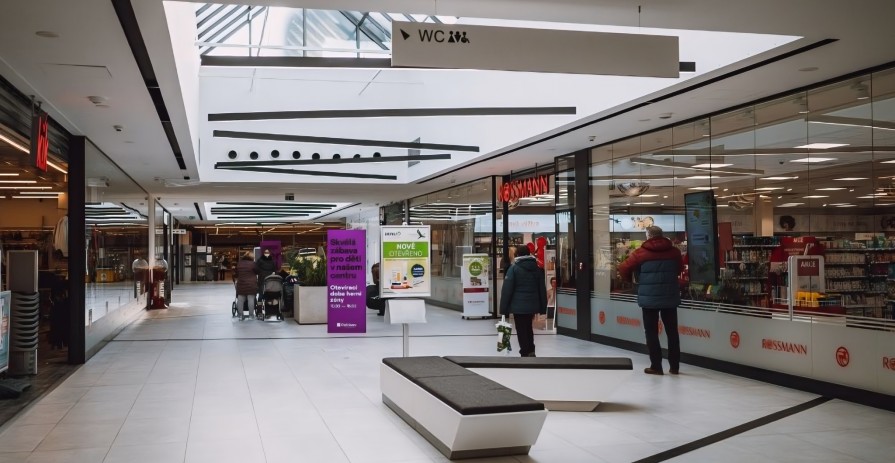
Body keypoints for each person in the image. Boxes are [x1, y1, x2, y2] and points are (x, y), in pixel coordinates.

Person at [617, 226, 683, 375]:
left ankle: (656, 366)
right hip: (669, 296)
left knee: (651, 332)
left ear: (648, 236)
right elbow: (679, 269)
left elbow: (623, 268)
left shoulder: (640, 253)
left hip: (649, 298)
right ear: (662, 235)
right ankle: (674, 367)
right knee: (672, 332)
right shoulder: (674, 252)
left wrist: (634, 282)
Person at [499, 244, 547, 357]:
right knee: (529, 328)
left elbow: (507, 290)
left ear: (517, 254)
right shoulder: (537, 268)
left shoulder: (514, 268)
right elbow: (542, 289)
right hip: (532, 305)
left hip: (518, 306)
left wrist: (503, 308)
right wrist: (543, 307)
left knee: (521, 329)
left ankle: (525, 351)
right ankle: (531, 350)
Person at [234, 252, 258, 321]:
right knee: (251, 299)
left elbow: (236, 273)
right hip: (251, 284)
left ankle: (240, 315)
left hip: (241, 284)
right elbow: (257, 271)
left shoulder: (239, 264)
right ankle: (251, 315)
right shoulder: (253, 264)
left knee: (240, 299)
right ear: (251, 257)